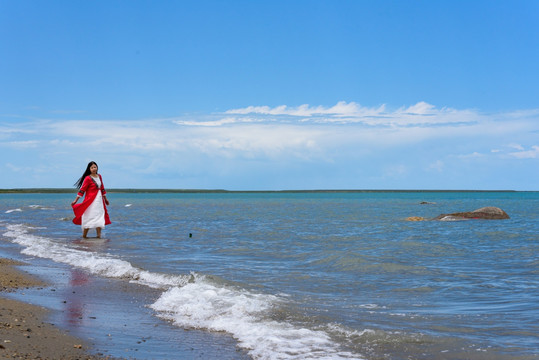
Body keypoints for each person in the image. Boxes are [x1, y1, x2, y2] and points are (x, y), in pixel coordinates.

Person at [71, 161, 111, 238]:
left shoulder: (99, 176)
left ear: (97, 168)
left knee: (99, 216)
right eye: (92, 167)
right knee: (89, 216)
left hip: (99, 201)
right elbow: (82, 190)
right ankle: (84, 236)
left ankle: (99, 236)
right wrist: (76, 200)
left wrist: (105, 199)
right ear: (89, 169)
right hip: (90, 202)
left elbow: (102, 188)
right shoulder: (88, 178)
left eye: (95, 167)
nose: (93, 169)